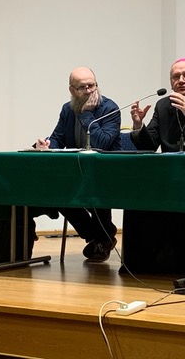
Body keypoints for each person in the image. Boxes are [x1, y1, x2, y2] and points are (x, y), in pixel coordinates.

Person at [122, 58, 185, 274]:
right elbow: (150, 145)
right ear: (171, 82)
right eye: (176, 77)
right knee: (135, 196)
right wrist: (138, 125)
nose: (181, 80)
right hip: (167, 177)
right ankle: (142, 263)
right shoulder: (163, 105)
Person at [34, 66, 121, 262]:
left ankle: (102, 237)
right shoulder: (68, 109)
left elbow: (102, 143)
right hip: (77, 170)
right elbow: (58, 138)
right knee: (57, 191)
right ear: (72, 90)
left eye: (92, 85)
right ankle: (100, 235)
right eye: (82, 87)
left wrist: (86, 114)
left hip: (105, 172)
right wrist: (46, 145)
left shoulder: (110, 108)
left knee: (96, 190)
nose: (89, 91)